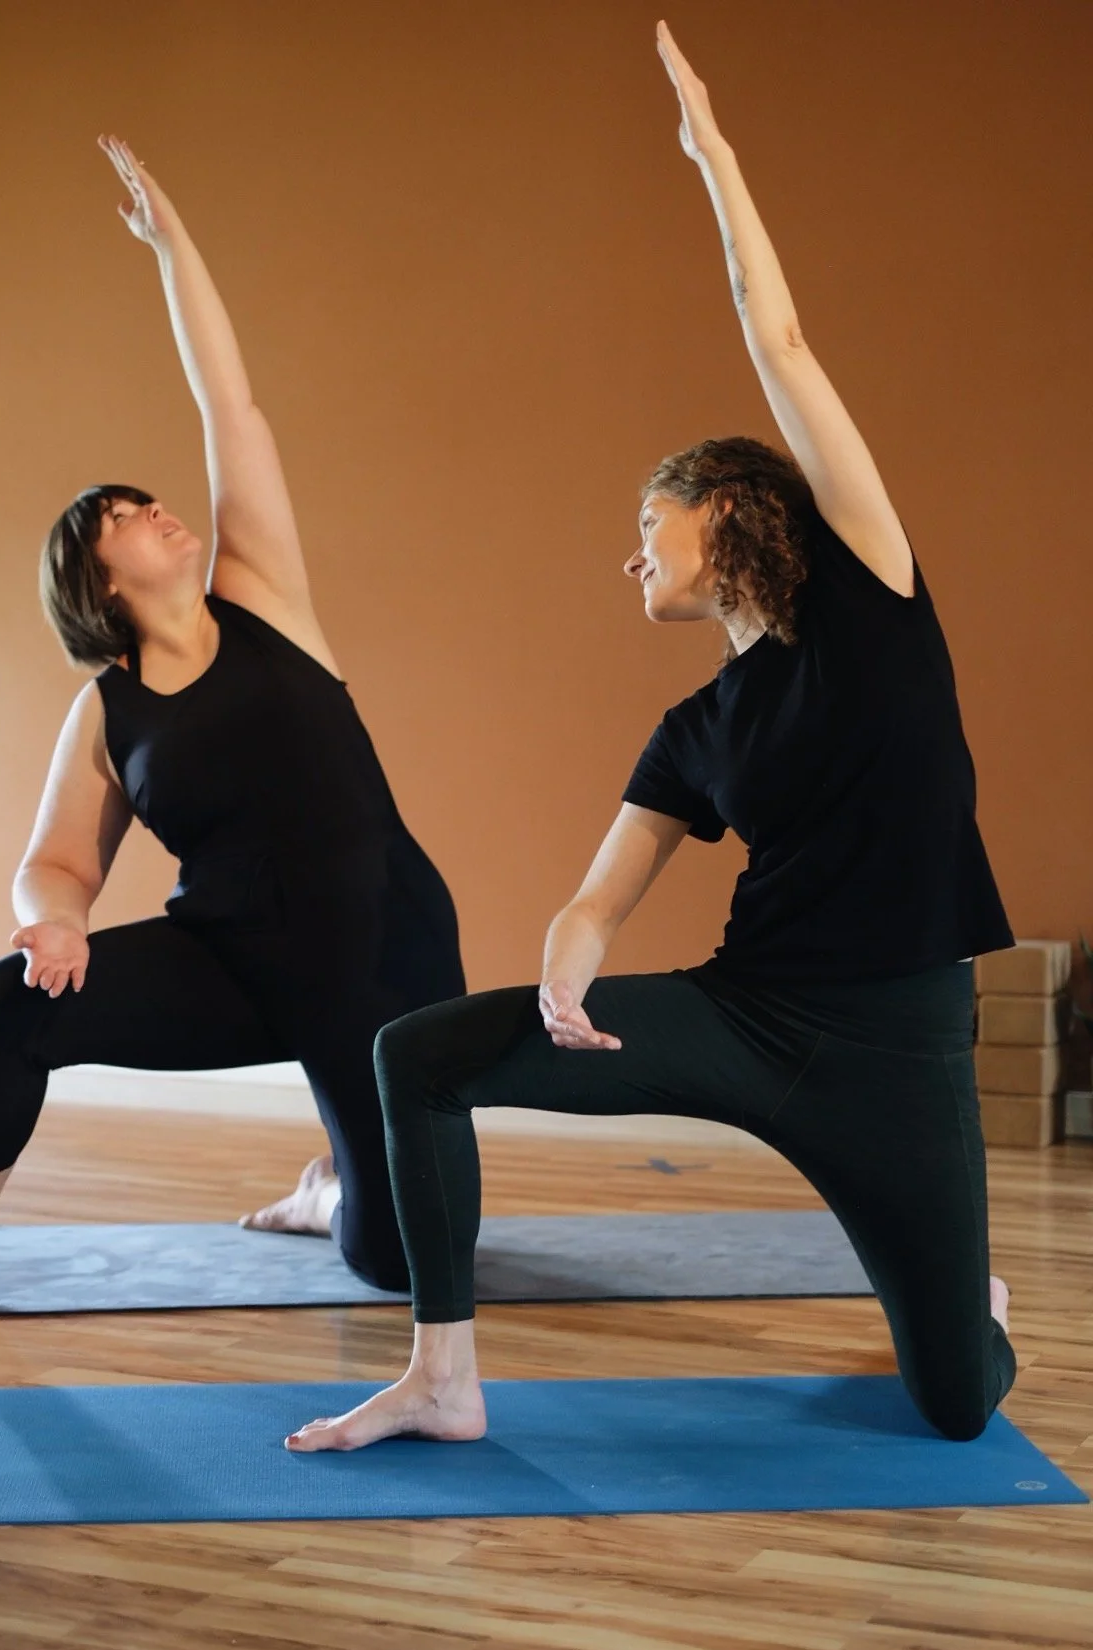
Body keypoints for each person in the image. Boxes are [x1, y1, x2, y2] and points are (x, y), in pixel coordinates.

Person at [286, 20, 1016, 1454]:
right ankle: (443, 1372)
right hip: (747, 1019)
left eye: (644, 528)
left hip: (902, 1044)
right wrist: (568, 957)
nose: (629, 560)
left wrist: (713, 157)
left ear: (728, 512)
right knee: (419, 1052)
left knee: (952, 1406)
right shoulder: (693, 727)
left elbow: (781, 338)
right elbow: (598, 893)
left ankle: (967, 1308)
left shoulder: (873, 595)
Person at [0, 137, 464, 1311]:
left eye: (150, 499)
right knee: (4, 1002)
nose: (158, 509)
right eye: (125, 515)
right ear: (95, 580)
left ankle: (333, 1190)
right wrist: (50, 926)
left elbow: (232, 405)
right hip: (232, 963)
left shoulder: (264, 600)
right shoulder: (106, 712)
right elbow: (54, 862)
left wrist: (173, 247)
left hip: (380, 957)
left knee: (397, 1262)